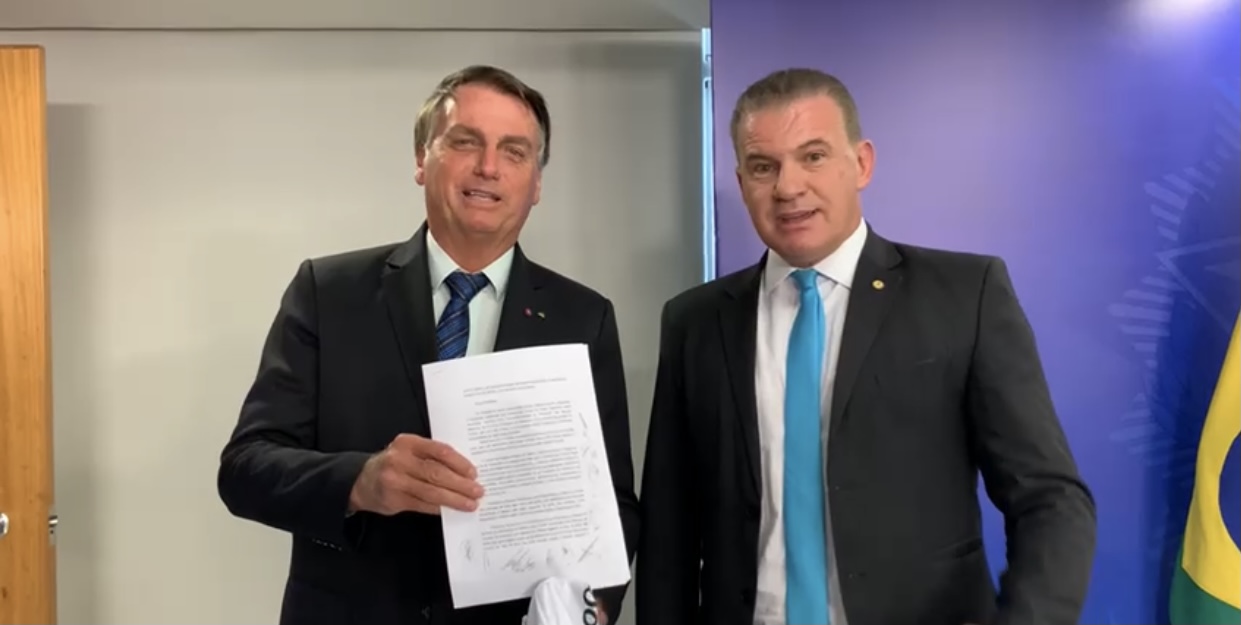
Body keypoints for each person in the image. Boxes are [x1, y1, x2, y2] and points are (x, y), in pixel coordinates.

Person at [635, 67, 1097, 625]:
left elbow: (1050, 499)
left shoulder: (965, 295)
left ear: (862, 163)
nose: (787, 187)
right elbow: (668, 531)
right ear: (740, 181)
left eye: (813, 156)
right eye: (763, 166)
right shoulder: (694, 321)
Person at [217, 65, 638, 625]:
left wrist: (594, 608)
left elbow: (613, 503)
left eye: (514, 152)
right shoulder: (328, 292)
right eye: (466, 142)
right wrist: (361, 481)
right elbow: (245, 469)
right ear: (422, 158)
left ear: (536, 183)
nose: (488, 166)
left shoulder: (583, 317)